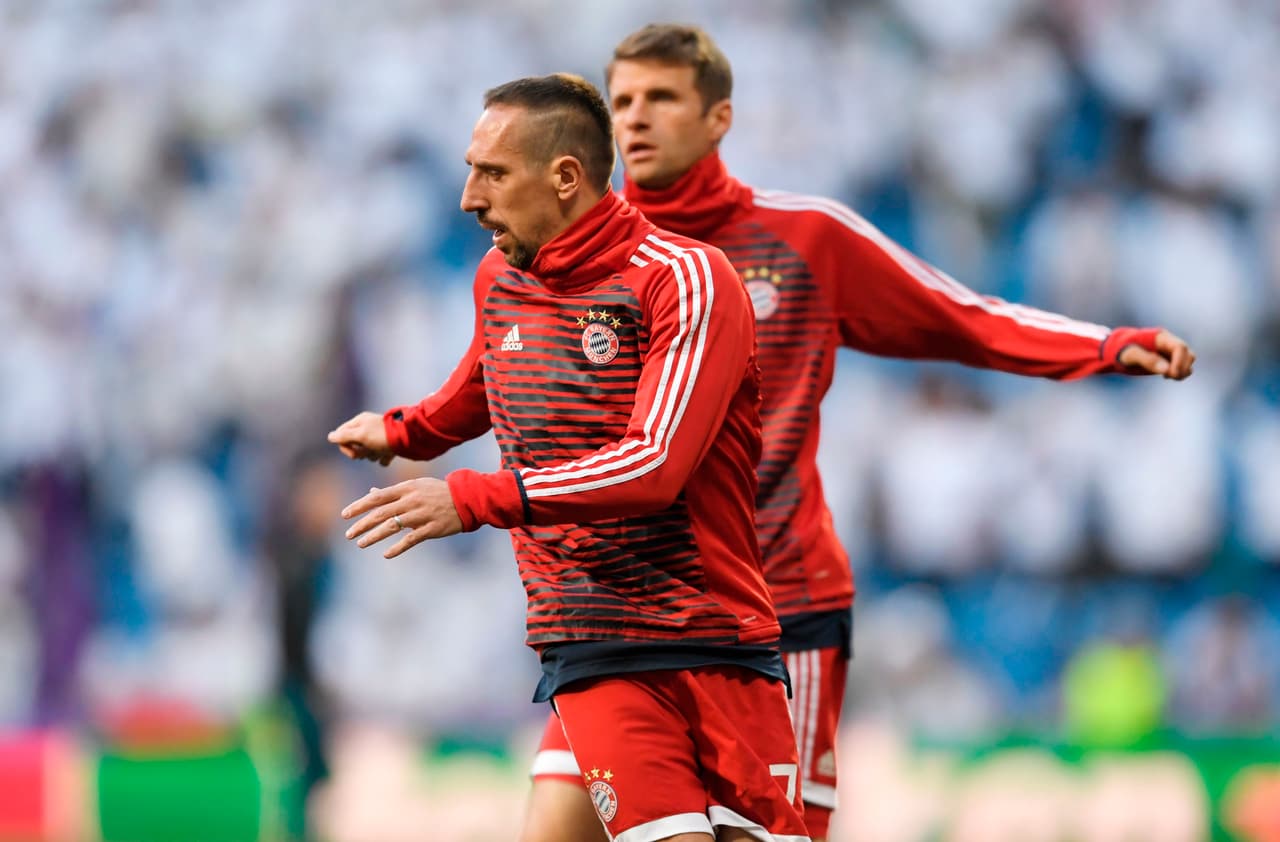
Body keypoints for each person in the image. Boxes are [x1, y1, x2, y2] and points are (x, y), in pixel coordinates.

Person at [521, 24, 1197, 842]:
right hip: (630, 620)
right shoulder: (572, 259)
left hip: (777, 616)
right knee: (555, 825)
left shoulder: (804, 240)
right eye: (621, 99)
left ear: (718, 117)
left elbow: (961, 317)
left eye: (661, 97)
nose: (636, 119)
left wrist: (1097, 346)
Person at [329, 73, 812, 842]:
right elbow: (484, 385)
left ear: (564, 177)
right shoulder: (501, 280)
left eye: (491, 173)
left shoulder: (685, 281)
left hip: (716, 635)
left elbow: (654, 465)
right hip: (597, 634)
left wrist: (474, 497)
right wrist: (403, 433)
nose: (468, 198)